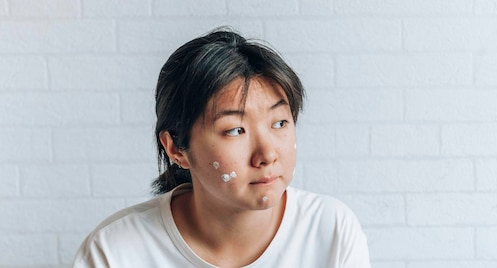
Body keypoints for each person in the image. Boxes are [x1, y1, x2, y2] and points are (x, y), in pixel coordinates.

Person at [73, 27, 371, 267]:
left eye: (279, 123)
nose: (267, 155)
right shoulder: (114, 252)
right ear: (176, 148)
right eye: (235, 130)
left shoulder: (330, 231)